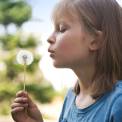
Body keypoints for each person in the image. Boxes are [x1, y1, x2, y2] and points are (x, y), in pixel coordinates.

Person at [11, 0, 122, 121]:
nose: (49, 38)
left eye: (61, 29)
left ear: (95, 40)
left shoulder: (118, 102)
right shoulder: (71, 97)